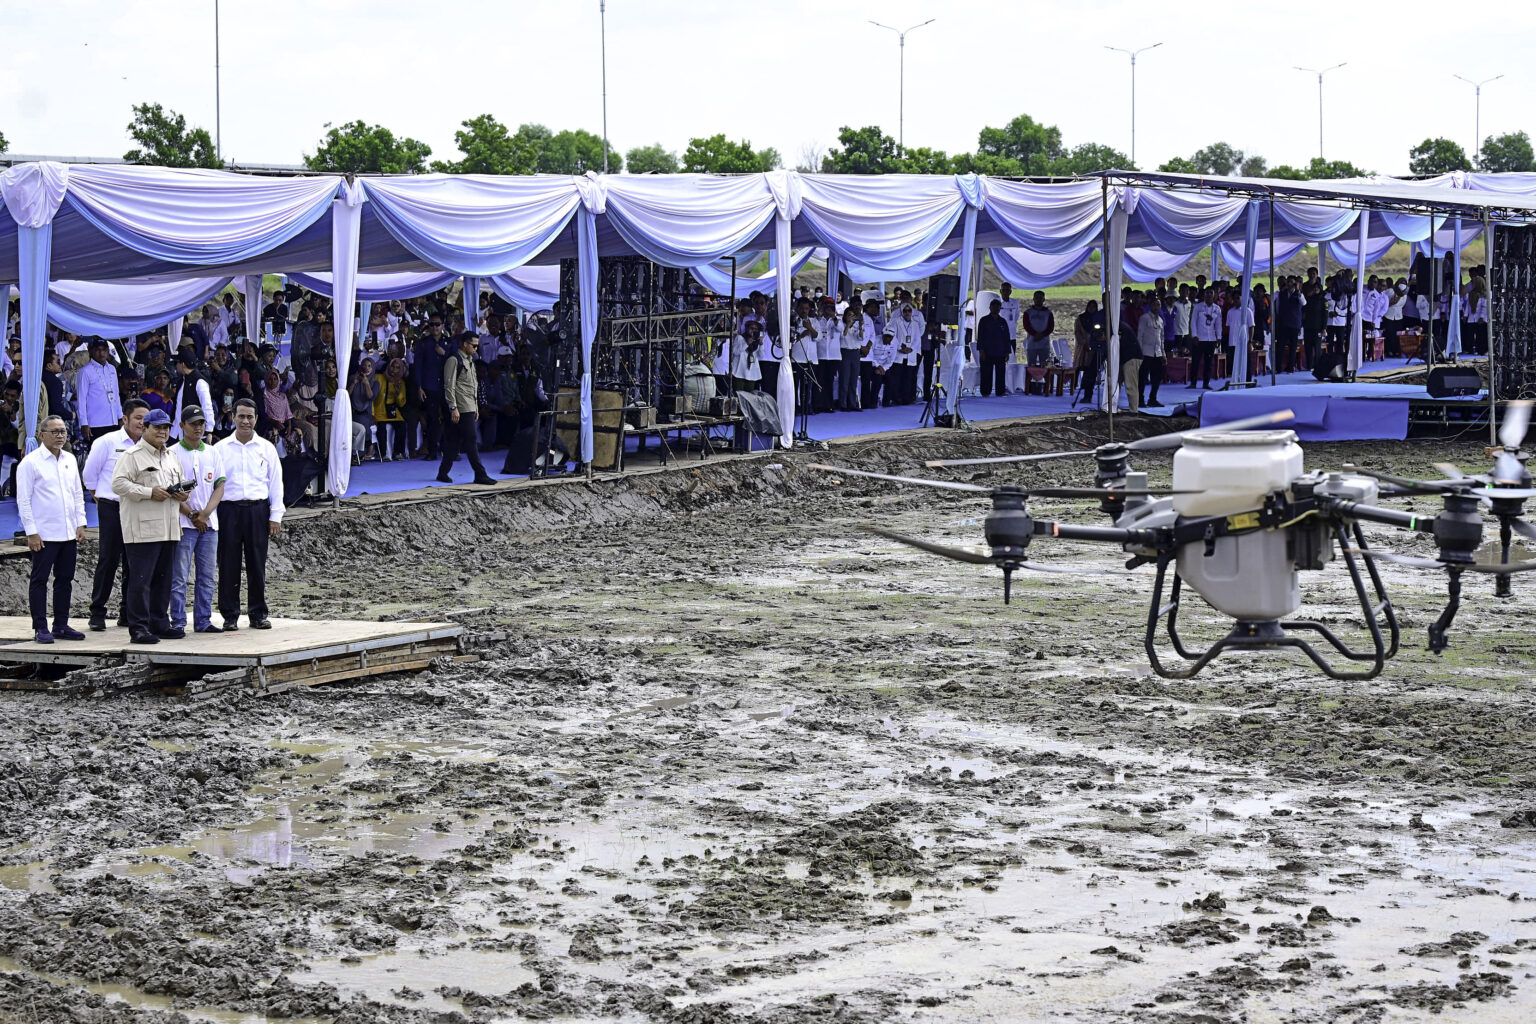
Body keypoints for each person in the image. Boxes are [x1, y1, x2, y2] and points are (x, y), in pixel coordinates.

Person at [111, 408, 186, 644]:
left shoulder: (171, 456)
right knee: (141, 581)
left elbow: (176, 483)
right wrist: (147, 492)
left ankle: (160, 622)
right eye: (157, 427)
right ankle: (139, 628)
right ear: (145, 428)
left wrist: (181, 494)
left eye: (166, 428)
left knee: (163, 579)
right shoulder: (132, 455)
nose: (162, 432)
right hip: (143, 529)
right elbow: (118, 484)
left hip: (169, 526)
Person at [17, 415, 88, 644]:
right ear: (42, 434)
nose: (60, 435)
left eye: (63, 431)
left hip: (68, 531)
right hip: (44, 534)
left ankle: (61, 624)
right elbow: (24, 500)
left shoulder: (69, 458)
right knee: (40, 579)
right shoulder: (31, 462)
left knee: (64, 579)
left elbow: (77, 493)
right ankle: (40, 627)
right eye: (55, 431)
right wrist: (31, 532)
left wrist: (81, 522)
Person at [214, 399, 283, 631]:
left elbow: (276, 484)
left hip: (258, 510)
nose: (245, 421)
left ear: (256, 419)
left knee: (257, 563)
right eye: (241, 416)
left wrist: (276, 515)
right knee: (228, 564)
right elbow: (213, 485)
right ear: (233, 417)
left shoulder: (266, 448)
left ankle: (258, 613)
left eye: (250, 417)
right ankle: (230, 615)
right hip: (228, 511)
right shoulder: (220, 449)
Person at [82, 399, 150, 630]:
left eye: (145, 419)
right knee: (108, 560)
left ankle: (127, 613)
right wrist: (99, 495)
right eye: (138, 418)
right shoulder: (106, 442)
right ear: (125, 419)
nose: (142, 423)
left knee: (134, 562)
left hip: (139, 508)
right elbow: (90, 475)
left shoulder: (150, 444)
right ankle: (98, 612)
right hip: (112, 507)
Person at [169, 406, 224, 635]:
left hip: (209, 524)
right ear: (182, 426)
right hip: (183, 523)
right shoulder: (172, 453)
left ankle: (203, 620)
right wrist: (191, 514)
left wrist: (206, 513)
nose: (198, 428)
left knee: (207, 576)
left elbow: (220, 486)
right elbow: (171, 491)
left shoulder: (212, 452)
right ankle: (179, 621)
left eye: (201, 423)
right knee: (179, 576)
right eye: (193, 424)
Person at [437, 331, 496, 486]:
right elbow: (449, 386)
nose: (476, 348)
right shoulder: (454, 360)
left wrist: (476, 407)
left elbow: (473, 386)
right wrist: (453, 407)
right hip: (461, 407)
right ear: (465, 344)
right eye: (474, 345)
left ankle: (442, 473)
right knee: (471, 441)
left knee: (454, 442)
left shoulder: (470, 361)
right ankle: (480, 474)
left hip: (469, 406)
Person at [412, 316, 450, 460]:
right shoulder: (423, 344)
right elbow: (418, 366)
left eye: (437, 324)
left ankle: (449, 451)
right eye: (432, 325)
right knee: (432, 419)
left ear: (443, 325)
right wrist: (419, 387)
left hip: (446, 386)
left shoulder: (449, 342)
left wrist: (444, 354)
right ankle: (432, 451)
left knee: (449, 418)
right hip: (430, 386)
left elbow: (455, 361)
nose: (435, 327)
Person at [76, 339, 122, 442]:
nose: (101, 353)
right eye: (98, 350)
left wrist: (120, 417)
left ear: (108, 351)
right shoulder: (85, 371)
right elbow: (81, 399)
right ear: (91, 351)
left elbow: (116, 395)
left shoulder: (112, 369)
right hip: (95, 423)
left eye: (104, 350)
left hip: (113, 421)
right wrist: (84, 423)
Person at [976, 299, 1011, 398]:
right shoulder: (984, 320)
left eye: (998, 306)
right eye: (993, 306)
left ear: (1000, 308)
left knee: (1001, 373)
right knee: (986, 372)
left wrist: (1007, 352)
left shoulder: (1002, 321)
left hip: (1000, 351)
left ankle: (1000, 391)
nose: (995, 308)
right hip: (987, 351)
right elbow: (980, 336)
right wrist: (981, 350)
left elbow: (1006, 337)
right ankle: (985, 391)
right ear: (990, 307)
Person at [1189, 289, 1222, 390]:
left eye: (1210, 294)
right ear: (1204, 295)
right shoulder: (1198, 307)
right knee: (1195, 362)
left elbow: (1218, 324)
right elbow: (1193, 321)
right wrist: (1194, 335)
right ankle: (1193, 383)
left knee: (1209, 363)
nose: (1208, 296)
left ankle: (1206, 383)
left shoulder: (1217, 308)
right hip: (1199, 339)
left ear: (1214, 295)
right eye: (1206, 294)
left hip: (1211, 339)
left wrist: (1219, 337)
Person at [1137, 298, 1165, 408]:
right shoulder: (1144, 318)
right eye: (1154, 305)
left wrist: (1163, 354)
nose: (1156, 307)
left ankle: (1153, 399)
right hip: (1145, 351)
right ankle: (1140, 400)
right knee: (1143, 378)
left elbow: (1162, 338)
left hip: (1157, 353)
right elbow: (1140, 335)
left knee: (1157, 378)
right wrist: (1139, 352)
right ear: (1150, 305)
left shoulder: (1161, 320)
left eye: (1158, 305)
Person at [997, 282, 1021, 392]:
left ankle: (1010, 383)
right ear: (1000, 291)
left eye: (1008, 290)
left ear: (1011, 291)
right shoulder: (997, 303)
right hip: (1000, 337)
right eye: (1004, 290)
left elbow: (1016, 318)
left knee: (1011, 360)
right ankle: (1001, 384)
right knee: (1000, 361)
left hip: (1011, 336)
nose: (1006, 292)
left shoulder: (1015, 303)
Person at [1022, 291, 1055, 367]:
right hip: (1031, 344)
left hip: (1044, 344)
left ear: (1044, 299)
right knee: (1031, 366)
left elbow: (1051, 327)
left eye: (1040, 298)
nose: (1038, 300)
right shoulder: (1028, 312)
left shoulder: (1048, 313)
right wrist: (1035, 334)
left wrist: (1042, 335)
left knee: (1045, 367)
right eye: (1036, 298)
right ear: (1033, 299)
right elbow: (1026, 326)